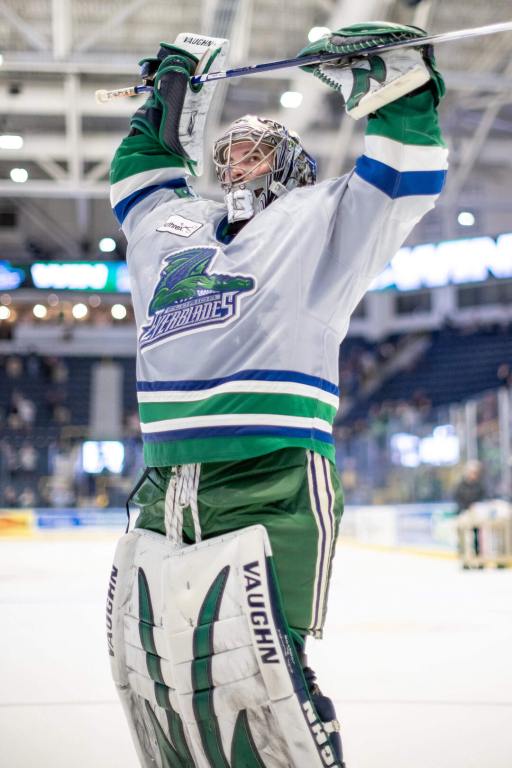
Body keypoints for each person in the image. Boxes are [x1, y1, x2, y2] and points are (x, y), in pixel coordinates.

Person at [108, 22, 447, 767]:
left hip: (274, 475)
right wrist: (167, 99)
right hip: (168, 479)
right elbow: (139, 174)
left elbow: (408, 169)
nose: (239, 160)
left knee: (264, 677)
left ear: (291, 165)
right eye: (229, 150)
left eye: (259, 149)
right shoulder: (176, 225)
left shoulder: (321, 217)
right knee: (171, 673)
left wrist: (394, 81)